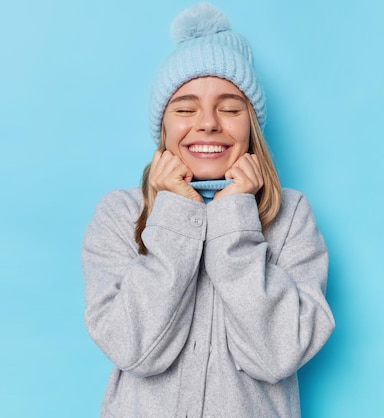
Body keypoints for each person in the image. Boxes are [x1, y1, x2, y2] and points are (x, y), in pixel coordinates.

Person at [82, 3, 334, 417]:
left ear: (250, 124)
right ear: (164, 125)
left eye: (230, 108)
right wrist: (175, 215)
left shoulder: (292, 217)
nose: (208, 123)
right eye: (185, 108)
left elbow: (277, 355)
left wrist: (234, 217)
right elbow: (134, 349)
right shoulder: (118, 215)